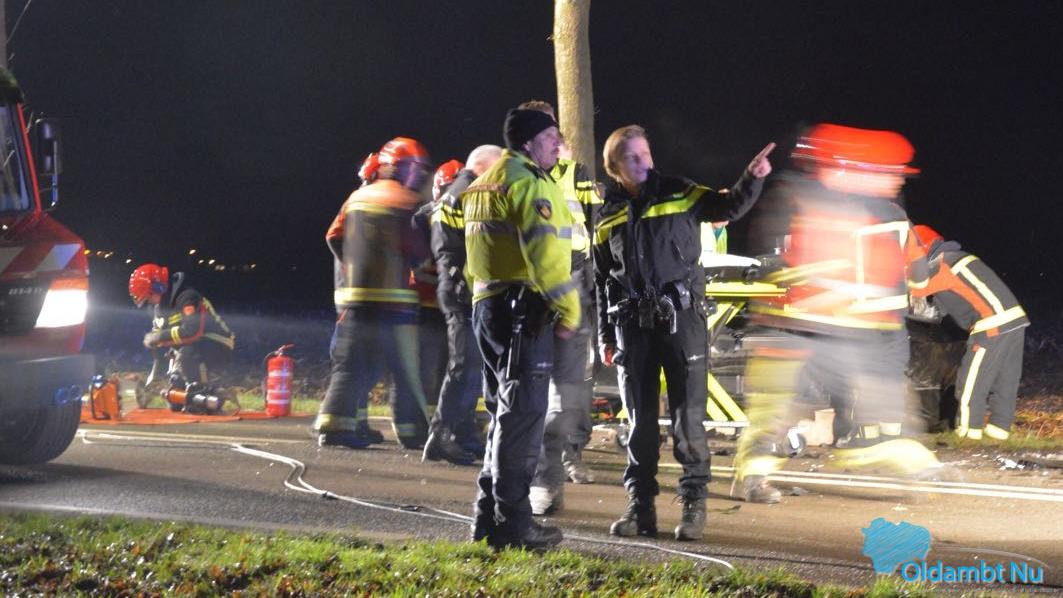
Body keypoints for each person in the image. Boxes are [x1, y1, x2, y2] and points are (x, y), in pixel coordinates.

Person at [736, 123, 940, 504]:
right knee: (776, 409)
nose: (896, 181)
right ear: (850, 170)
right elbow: (777, 265)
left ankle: (912, 464)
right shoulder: (800, 200)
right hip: (792, 330)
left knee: (882, 401)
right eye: (887, 173)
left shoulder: (869, 210)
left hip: (846, 331)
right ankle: (755, 473)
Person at [594, 124, 773, 541]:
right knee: (639, 424)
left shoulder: (679, 191)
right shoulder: (607, 214)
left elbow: (728, 206)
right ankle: (640, 508)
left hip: (682, 321)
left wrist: (752, 177)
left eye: (645, 153)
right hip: (632, 328)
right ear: (614, 167)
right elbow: (603, 282)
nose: (643, 162)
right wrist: (605, 336)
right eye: (632, 157)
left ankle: (693, 505)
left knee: (688, 420)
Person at [464, 108, 578, 550]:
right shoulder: (530, 183)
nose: (558, 143)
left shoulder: (486, 180)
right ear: (529, 142)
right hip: (524, 312)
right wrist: (570, 311)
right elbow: (546, 260)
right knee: (523, 420)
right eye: (551, 136)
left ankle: (487, 519)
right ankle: (514, 525)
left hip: (488, 307)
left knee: (502, 416)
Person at [313, 137, 433, 449]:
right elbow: (420, 251)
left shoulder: (356, 198)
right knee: (406, 371)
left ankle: (334, 426)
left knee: (350, 366)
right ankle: (413, 432)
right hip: (395, 303)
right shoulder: (408, 202)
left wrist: (353, 265)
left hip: (355, 300)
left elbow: (333, 236)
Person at [515, 101, 603, 516]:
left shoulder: (573, 174)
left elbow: (599, 224)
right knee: (529, 391)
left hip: (573, 283)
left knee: (567, 391)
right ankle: (533, 480)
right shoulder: (512, 178)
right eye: (547, 134)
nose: (556, 142)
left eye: (556, 135)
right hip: (531, 291)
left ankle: (554, 472)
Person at [909, 225, 1028, 440]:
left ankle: (968, 432)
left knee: (971, 381)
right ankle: (999, 429)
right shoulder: (958, 260)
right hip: (1014, 320)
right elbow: (937, 312)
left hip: (992, 324)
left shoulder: (944, 265)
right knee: (1006, 379)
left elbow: (915, 289)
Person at [423, 146, 503, 465]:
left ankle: (464, 433)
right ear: (482, 166)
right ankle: (440, 436)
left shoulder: (457, 193)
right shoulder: (466, 194)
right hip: (462, 289)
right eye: (497, 169)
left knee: (471, 367)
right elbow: (461, 247)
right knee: (463, 366)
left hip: (459, 286)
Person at [320, 152, 385, 444]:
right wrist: (358, 266)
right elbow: (334, 236)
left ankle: (357, 423)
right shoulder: (360, 200)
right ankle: (337, 427)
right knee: (353, 363)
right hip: (353, 299)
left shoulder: (368, 200)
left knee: (366, 363)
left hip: (361, 297)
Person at [129, 263, 235, 387]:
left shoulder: (187, 297)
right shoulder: (158, 309)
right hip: (193, 345)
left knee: (187, 355)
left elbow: (193, 332)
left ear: (158, 288)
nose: (149, 302)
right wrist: (154, 378)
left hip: (218, 342)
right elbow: (159, 341)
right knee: (176, 383)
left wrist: (159, 337)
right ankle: (209, 392)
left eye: (149, 296)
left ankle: (202, 390)